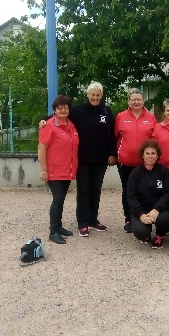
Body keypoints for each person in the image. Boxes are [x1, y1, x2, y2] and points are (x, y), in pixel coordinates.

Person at [68, 82, 117, 237]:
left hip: (101, 159)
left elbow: (112, 135)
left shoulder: (106, 111)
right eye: (92, 94)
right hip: (83, 159)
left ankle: (93, 220)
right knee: (83, 190)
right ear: (88, 95)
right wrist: (44, 120)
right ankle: (82, 223)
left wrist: (112, 153)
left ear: (101, 96)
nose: (95, 97)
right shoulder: (77, 111)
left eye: (98, 95)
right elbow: (59, 115)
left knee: (95, 190)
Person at [38, 95, 79, 244]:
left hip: (67, 171)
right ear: (55, 110)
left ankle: (59, 226)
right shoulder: (49, 125)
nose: (63, 109)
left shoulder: (72, 125)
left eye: (66, 107)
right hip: (54, 171)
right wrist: (44, 170)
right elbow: (42, 147)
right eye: (60, 107)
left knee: (61, 200)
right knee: (58, 199)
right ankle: (53, 231)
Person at [115, 88, 157, 233]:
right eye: (133, 99)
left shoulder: (151, 118)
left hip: (145, 163)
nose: (136, 102)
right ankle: (128, 219)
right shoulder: (121, 117)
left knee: (145, 191)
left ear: (143, 101)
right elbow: (115, 137)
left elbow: (154, 140)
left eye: (139, 99)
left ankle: (143, 217)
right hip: (125, 163)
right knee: (128, 191)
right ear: (129, 101)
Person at [126, 139, 169, 249]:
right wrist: (141, 214)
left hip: (160, 210)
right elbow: (131, 197)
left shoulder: (164, 172)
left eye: (153, 153)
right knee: (140, 232)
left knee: (164, 220)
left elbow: (168, 193)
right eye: (147, 153)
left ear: (158, 155)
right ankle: (146, 235)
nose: (150, 156)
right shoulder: (136, 173)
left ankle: (160, 235)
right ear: (142, 155)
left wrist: (157, 209)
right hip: (142, 210)